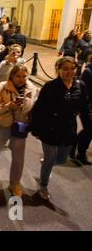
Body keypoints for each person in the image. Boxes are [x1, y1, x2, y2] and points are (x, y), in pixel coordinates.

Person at [31, 57, 92, 200]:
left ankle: (46, 162)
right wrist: (36, 130)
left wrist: (89, 124)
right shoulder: (50, 86)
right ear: (58, 69)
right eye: (65, 69)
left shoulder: (80, 86)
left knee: (61, 159)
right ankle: (43, 186)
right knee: (50, 159)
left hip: (68, 129)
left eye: (72, 68)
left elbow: (85, 107)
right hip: (50, 128)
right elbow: (39, 109)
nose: (69, 72)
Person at [0, 64, 38, 197]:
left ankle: (15, 183)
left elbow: (34, 107)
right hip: (2, 124)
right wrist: (8, 106)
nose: (21, 79)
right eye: (18, 76)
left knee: (18, 157)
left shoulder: (32, 89)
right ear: (11, 76)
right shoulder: (1, 87)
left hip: (20, 127)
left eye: (24, 76)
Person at [70, 53, 92, 165]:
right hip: (87, 105)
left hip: (88, 105)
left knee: (89, 130)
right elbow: (84, 91)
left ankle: (75, 147)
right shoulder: (88, 71)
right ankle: (80, 152)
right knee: (89, 129)